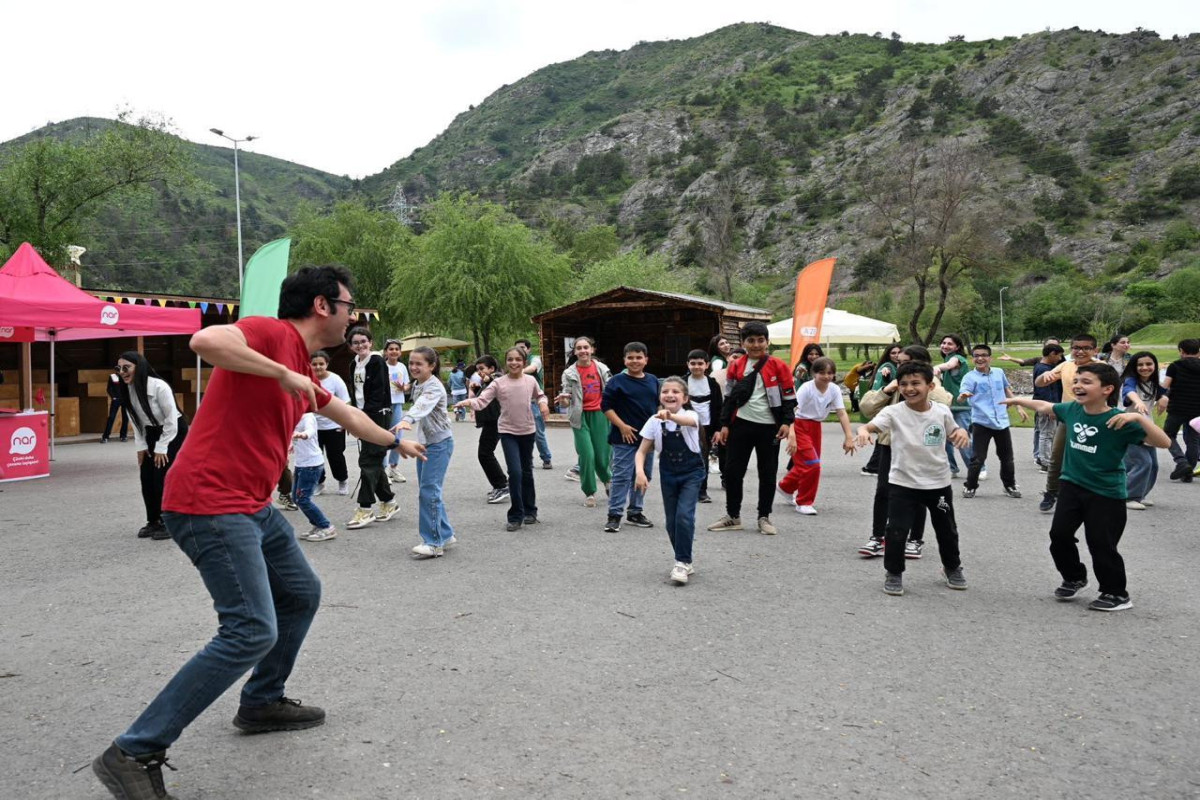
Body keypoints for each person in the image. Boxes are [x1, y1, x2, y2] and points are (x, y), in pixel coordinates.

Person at [92, 265, 425, 800]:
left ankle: (261, 701)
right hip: (209, 502)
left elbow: (345, 413)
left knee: (300, 592)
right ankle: (133, 750)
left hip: (251, 504)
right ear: (323, 305)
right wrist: (282, 375)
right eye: (349, 304)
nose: (353, 314)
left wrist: (393, 440)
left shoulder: (302, 366)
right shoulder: (273, 335)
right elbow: (205, 339)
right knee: (249, 629)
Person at [1003, 363, 1171, 611]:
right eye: (1077, 381)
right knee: (1058, 536)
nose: (1078, 386)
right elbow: (1045, 406)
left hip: (1106, 493)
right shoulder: (1072, 409)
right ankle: (1074, 577)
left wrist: (1137, 416)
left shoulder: (1119, 420)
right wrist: (1017, 400)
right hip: (1071, 485)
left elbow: (1164, 442)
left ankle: (1116, 594)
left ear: (1107, 389)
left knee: (1101, 544)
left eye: (1086, 382)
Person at [855, 361, 971, 597]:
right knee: (896, 530)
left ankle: (952, 567)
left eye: (916, 383)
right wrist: (863, 432)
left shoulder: (941, 411)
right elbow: (868, 426)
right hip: (903, 484)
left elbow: (954, 431)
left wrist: (961, 432)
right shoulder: (893, 412)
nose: (909, 388)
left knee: (947, 529)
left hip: (938, 484)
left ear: (930, 385)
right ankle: (894, 572)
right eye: (904, 384)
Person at [856, 345, 950, 559]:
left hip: (918, 448)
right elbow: (866, 408)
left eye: (904, 362)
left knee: (918, 494)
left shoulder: (928, 385)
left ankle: (915, 540)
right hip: (889, 444)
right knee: (883, 492)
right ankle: (877, 537)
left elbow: (944, 404)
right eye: (899, 362)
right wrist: (887, 390)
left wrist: (926, 387)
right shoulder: (894, 383)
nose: (899, 365)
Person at [707, 321, 796, 535]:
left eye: (760, 340)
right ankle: (733, 516)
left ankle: (764, 517)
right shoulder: (736, 366)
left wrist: (786, 422)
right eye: (751, 340)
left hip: (769, 427)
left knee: (767, 472)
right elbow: (729, 397)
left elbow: (789, 398)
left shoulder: (779, 366)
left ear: (767, 342)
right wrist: (725, 424)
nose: (756, 345)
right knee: (732, 471)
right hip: (740, 425)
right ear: (744, 343)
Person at [457, 347, 549, 531]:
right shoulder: (499, 383)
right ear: (505, 362)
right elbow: (482, 400)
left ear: (523, 362)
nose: (514, 363)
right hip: (507, 432)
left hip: (527, 431)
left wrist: (543, 403)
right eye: (510, 359)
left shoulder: (530, 381)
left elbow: (540, 395)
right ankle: (516, 515)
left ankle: (530, 510)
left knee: (527, 471)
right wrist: (468, 402)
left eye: (517, 359)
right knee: (515, 472)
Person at [635, 377, 705, 585]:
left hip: (692, 472)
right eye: (665, 391)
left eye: (676, 391)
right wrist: (640, 471)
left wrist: (671, 417)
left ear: (685, 398)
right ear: (660, 396)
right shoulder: (654, 420)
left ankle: (681, 562)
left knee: (684, 515)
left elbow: (687, 422)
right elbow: (641, 451)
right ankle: (685, 559)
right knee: (671, 522)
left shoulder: (690, 415)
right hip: (668, 473)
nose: (670, 394)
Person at [115, 351, 190, 541]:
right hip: (150, 432)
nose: (122, 372)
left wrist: (162, 447)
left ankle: (169, 521)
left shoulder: (159, 387)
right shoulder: (128, 389)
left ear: (138, 367)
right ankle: (153, 520)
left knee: (161, 475)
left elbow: (172, 420)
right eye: (119, 368)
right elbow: (135, 419)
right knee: (146, 476)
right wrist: (141, 446)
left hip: (172, 431)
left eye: (126, 367)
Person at [777, 356, 854, 515]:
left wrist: (848, 436)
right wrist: (791, 435)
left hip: (815, 427)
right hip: (799, 424)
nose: (826, 376)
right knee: (812, 464)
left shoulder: (834, 389)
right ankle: (804, 502)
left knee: (808, 464)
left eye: (830, 373)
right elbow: (792, 410)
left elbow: (841, 413)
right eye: (822, 373)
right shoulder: (806, 388)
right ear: (814, 373)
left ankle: (786, 487)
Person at [1034, 333, 1101, 512]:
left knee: (1091, 457)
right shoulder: (1066, 365)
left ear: (1095, 350)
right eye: (1076, 347)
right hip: (1069, 417)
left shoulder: (1101, 367)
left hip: (1095, 419)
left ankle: (1092, 493)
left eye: (1086, 348)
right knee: (1057, 457)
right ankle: (1051, 492)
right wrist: (1045, 375)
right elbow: (1039, 383)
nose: (1080, 351)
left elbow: (1112, 391)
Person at [400, 347, 456, 558]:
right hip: (426, 443)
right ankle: (446, 534)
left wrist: (407, 419)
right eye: (411, 363)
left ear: (431, 366)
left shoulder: (434, 387)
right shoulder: (418, 384)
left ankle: (433, 542)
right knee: (430, 490)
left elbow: (422, 406)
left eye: (419, 364)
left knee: (428, 492)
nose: (413, 367)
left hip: (439, 444)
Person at [601, 342, 660, 532]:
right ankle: (614, 514)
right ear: (624, 360)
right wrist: (622, 426)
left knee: (643, 475)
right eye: (630, 358)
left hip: (647, 438)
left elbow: (657, 406)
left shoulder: (652, 380)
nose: (635, 361)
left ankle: (635, 511)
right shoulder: (616, 381)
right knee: (622, 476)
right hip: (623, 438)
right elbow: (606, 407)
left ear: (646, 360)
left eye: (639, 357)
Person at [958, 343, 1028, 500]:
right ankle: (970, 486)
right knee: (978, 458)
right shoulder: (970, 377)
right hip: (981, 422)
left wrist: (1018, 406)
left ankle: (1009, 485)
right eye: (976, 356)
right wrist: (963, 397)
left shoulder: (998, 372)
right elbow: (961, 396)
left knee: (1007, 457)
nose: (980, 358)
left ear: (990, 358)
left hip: (1001, 422)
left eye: (983, 355)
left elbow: (1006, 389)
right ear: (973, 358)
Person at [346, 327, 400, 530]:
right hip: (362, 414)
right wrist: (354, 417)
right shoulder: (354, 364)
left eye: (363, 341)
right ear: (351, 346)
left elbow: (378, 393)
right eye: (356, 343)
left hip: (377, 415)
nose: (360, 345)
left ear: (371, 342)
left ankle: (365, 508)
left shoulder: (376, 361)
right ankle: (389, 502)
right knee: (374, 459)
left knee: (369, 460)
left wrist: (363, 419)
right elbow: (356, 392)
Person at [555, 336, 612, 508]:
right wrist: (564, 401)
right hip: (580, 417)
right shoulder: (569, 373)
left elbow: (611, 391)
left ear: (592, 350)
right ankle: (590, 492)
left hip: (601, 415)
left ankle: (608, 481)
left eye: (586, 347)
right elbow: (566, 399)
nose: (583, 351)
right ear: (575, 352)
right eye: (579, 348)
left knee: (602, 456)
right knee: (587, 454)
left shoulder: (602, 369)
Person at [1121, 352, 1166, 510]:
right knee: (1142, 462)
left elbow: (1164, 393)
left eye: (1149, 364)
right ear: (1134, 366)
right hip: (1129, 428)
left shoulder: (1153, 383)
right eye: (1140, 365)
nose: (1145, 368)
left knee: (1153, 465)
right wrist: (1138, 402)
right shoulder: (1130, 380)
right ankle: (1128, 497)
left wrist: (1164, 399)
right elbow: (1129, 391)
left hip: (1147, 428)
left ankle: (1139, 494)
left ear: (1155, 366)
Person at [1157, 338, 1200, 483]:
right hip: (1197, 409)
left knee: (1168, 434)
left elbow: (1166, 385)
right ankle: (1188, 472)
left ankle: (1181, 461)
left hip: (1177, 408)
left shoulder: (1175, 366)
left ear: (1181, 351)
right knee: (1193, 439)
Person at [932, 334, 975, 479]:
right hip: (946, 405)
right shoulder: (947, 357)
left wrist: (936, 367)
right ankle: (951, 468)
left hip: (960, 405)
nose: (945, 346)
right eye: (943, 343)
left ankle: (977, 468)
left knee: (962, 438)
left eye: (949, 344)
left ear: (957, 347)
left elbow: (950, 365)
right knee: (944, 439)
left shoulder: (958, 359)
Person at [684, 349, 723, 504]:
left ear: (707, 365)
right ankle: (687, 489)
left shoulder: (712, 384)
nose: (697, 367)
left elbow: (719, 408)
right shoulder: (682, 382)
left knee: (702, 460)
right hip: (686, 426)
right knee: (686, 459)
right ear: (687, 364)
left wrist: (718, 429)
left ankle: (702, 491)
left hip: (705, 427)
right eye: (693, 363)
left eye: (700, 363)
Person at [310, 351, 350, 496]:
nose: (318, 367)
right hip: (313, 427)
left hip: (334, 426)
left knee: (336, 456)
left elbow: (346, 401)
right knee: (315, 456)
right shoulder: (306, 379)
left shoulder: (335, 379)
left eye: (321, 364)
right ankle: (319, 483)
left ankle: (342, 480)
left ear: (327, 364)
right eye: (314, 364)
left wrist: (344, 422)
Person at [291, 413, 336, 542]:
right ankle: (317, 524)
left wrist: (302, 435)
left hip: (311, 465)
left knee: (303, 499)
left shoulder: (307, 417)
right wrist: (292, 444)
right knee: (296, 498)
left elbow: (310, 431)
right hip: (300, 464)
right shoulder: (293, 416)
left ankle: (326, 526)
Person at [860, 344, 903, 476]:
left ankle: (874, 466)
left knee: (884, 437)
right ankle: (873, 467)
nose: (896, 355)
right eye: (893, 353)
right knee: (884, 437)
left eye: (898, 352)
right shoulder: (887, 367)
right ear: (888, 355)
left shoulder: (892, 366)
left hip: (885, 404)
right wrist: (886, 376)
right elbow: (882, 383)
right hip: (884, 404)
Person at [471, 355, 509, 505]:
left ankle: (501, 485)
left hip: (496, 422)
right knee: (485, 453)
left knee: (485, 454)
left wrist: (489, 379)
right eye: (477, 370)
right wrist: (477, 388)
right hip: (491, 422)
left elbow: (497, 379)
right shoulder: (487, 382)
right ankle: (500, 484)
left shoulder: (498, 377)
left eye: (482, 369)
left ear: (492, 368)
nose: (479, 372)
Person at [515, 338, 553, 469]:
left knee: (538, 433)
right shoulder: (515, 361)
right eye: (517, 348)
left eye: (522, 348)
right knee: (521, 433)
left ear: (529, 349)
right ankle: (527, 459)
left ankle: (546, 458)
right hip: (519, 404)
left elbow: (533, 368)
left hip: (534, 402)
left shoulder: (534, 359)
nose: (520, 350)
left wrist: (518, 371)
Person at [1031, 343, 1066, 470]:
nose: (1060, 358)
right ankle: (1046, 462)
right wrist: (1050, 408)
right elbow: (1046, 390)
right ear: (1052, 354)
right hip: (1046, 405)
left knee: (1048, 432)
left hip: (1047, 404)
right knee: (1047, 433)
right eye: (1059, 355)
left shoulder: (1042, 366)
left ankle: (1044, 457)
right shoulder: (1044, 369)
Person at [383, 338, 411, 483]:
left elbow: (407, 385)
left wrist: (403, 388)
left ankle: (393, 468)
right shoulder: (381, 366)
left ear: (400, 352)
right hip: (384, 405)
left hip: (398, 403)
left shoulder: (402, 367)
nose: (394, 351)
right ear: (386, 352)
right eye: (391, 349)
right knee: (382, 435)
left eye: (396, 349)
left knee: (397, 435)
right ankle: (383, 471)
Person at [101, 370, 129, 443]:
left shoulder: (126, 376)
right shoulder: (112, 376)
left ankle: (123, 436)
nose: (119, 372)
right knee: (111, 417)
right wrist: (113, 397)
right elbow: (109, 388)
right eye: (118, 370)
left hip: (125, 399)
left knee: (125, 418)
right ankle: (105, 436)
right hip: (116, 400)